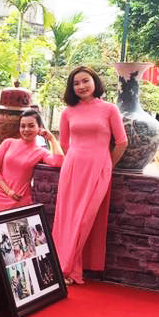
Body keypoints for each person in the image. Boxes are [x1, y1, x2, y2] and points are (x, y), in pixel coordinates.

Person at [53, 66, 127, 285]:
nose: (81, 86)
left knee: (85, 218)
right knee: (67, 217)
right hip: (72, 169)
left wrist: (107, 165)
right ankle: (65, 267)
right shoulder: (68, 112)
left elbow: (122, 142)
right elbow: (64, 144)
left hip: (99, 168)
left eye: (85, 81)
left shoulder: (109, 109)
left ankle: (67, 267)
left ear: (95, 82)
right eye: (76, 83)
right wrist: (76, 160)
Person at [0, 110, 64, 221]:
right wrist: (8, 191)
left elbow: (59, 162)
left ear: (39, 128)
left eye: (31, 126)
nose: (26, 129)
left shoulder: (40, 152)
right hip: (2, 191)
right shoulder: (8, 143)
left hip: (19, 197)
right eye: (23, 126)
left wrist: (52, 139)